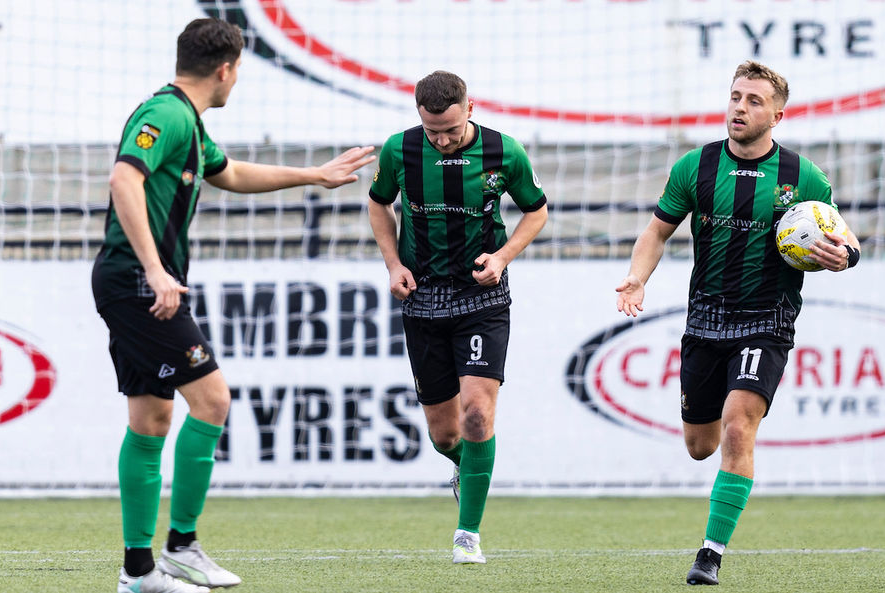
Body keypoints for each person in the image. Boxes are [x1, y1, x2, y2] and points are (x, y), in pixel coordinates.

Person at [92, 18, 375, 593]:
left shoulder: (189, 124)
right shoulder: (166, 115)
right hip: (139, 283)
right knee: (213, 399)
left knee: (152, 419)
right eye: (239, 69)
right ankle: (181, 548)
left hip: (136, 282)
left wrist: (314, 175)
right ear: (225, 69)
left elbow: (232, 173)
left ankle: (138, 573)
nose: (237, 79)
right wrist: (155, 270)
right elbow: (124, 179)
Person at [614, 60, 861, 586]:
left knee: (737, 424)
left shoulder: (803, 176)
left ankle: (710, 554)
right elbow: (656, 232)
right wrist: (637, 277)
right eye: (735, 97)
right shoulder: (696, 166)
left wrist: (845, 256)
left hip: (767, 320)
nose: (740, 108)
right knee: (700, 445)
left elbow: (845, 236)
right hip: (705, 319)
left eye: (753, 101)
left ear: (777, 115)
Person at [368, 71, 548, 564]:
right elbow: (379, 204)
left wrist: (503, 257)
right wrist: (393, 264)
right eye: (433, 132)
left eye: (450, 130)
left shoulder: (505, 152)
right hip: (423, 299)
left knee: (477, 413)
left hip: (481, 298)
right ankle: (466, 469)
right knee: (444, 435)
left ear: (470, 108)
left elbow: (536, 211)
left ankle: (467, 535)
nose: (442, 141)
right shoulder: (400, 150)